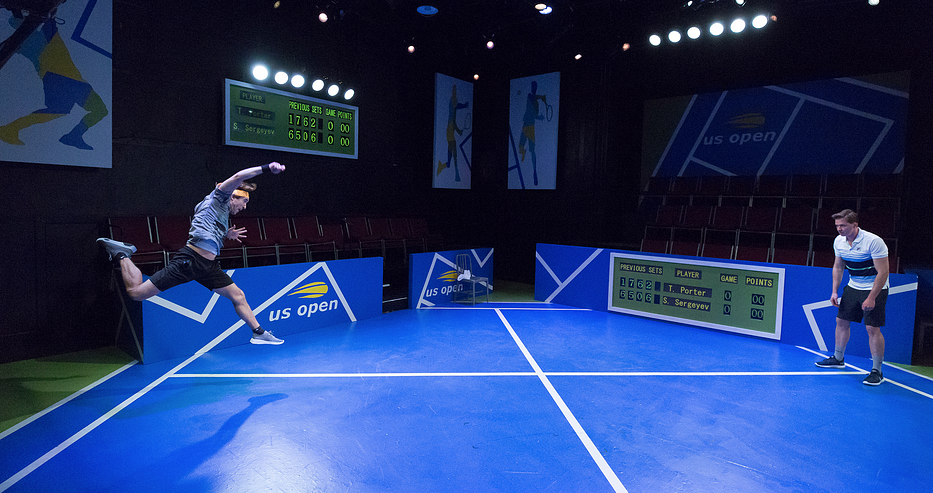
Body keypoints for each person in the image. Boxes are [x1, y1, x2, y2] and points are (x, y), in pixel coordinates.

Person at [97, 162, 286, 345]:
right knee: (136, 293)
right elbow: (238, 177)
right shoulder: (220, 197)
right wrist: (267, 168)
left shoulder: (216, 210)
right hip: (190, 261)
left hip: (208, 267)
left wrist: (227, 233)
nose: (244, 206)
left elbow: (204, 226)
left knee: (238, 295)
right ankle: (123, 254)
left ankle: (258, 332)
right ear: (233, 196)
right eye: (244, 201)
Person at [815, 209, 889, 385]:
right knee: (841, 322)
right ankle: (838, 358)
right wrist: (834, 291)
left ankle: (877, 371)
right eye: (837, 226)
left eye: (843, 225)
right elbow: (838, 267)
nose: (839, 229)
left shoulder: (873, 241)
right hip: (853, 286)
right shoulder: (839, 241)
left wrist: (871, 297)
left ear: (855, 225)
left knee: (872, 328)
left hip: (875, 287)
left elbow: (883, 271)